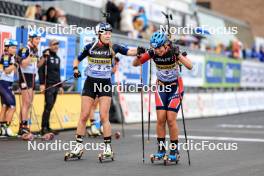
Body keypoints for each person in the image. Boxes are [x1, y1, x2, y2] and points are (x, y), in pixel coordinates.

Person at [65, 22, 145, 160]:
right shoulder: (90, 47)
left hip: (104, 85)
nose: (108, 35)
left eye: (109, 32)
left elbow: (129, 52)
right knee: (84, 116)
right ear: (99, 34)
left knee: (103, 117)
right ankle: (78, 147)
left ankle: (107, 148)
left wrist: (138, 51)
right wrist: (75, 70)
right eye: (105, 33)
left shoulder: (114, 47)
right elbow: (77, 60)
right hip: (90, 83)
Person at [132, 31, 192, 162]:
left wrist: (179, 55)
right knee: (160, 119)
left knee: (170, 119)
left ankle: (174, 150)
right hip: (161, 87)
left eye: (159, 47)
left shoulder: (173, 51)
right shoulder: (153, 52)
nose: (157, 50)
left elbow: (190, 66)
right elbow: (135, 64)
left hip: (175, 87)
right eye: (155, 47)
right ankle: (161, 149)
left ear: (166, 45)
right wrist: (138, 55)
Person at [17, 31, 42, 139]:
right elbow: (23, 63)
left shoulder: (36, 50)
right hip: (24, 76)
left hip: (32, 76)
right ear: (31, 39)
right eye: (36, 39)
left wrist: (43, 59)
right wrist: (31, 55)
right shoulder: (25, 49)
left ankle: (22, 125)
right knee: (26, 101)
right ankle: (24, 126)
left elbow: (37, 65)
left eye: (39, 39)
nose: (38, 41)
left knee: (28, 102)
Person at [38, 39, 63, 135]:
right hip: (48, 85)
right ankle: (43, 128)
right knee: (48, 106)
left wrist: (60, 86)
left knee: (51, 106)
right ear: (50, 45)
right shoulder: (46, 56)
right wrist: (41, 84)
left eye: (57, 44)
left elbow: (58, 73)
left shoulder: (57, 58)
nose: (56, 46)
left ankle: (48, 127)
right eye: (54, 44)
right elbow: (41, 70)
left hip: (56, 85)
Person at [0, 39, 19, 137]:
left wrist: (16, 63)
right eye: (12, 47)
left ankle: (2, 129)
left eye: (15, 48)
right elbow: (7, 71)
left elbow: (14, 72)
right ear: (7, 48)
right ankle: (6, 128)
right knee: (12, 106)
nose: (15, 49)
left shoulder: (11, 57)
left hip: (7, 83)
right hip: (3, 83)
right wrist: (16, 64)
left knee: (5, 106)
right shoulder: (6, 56)